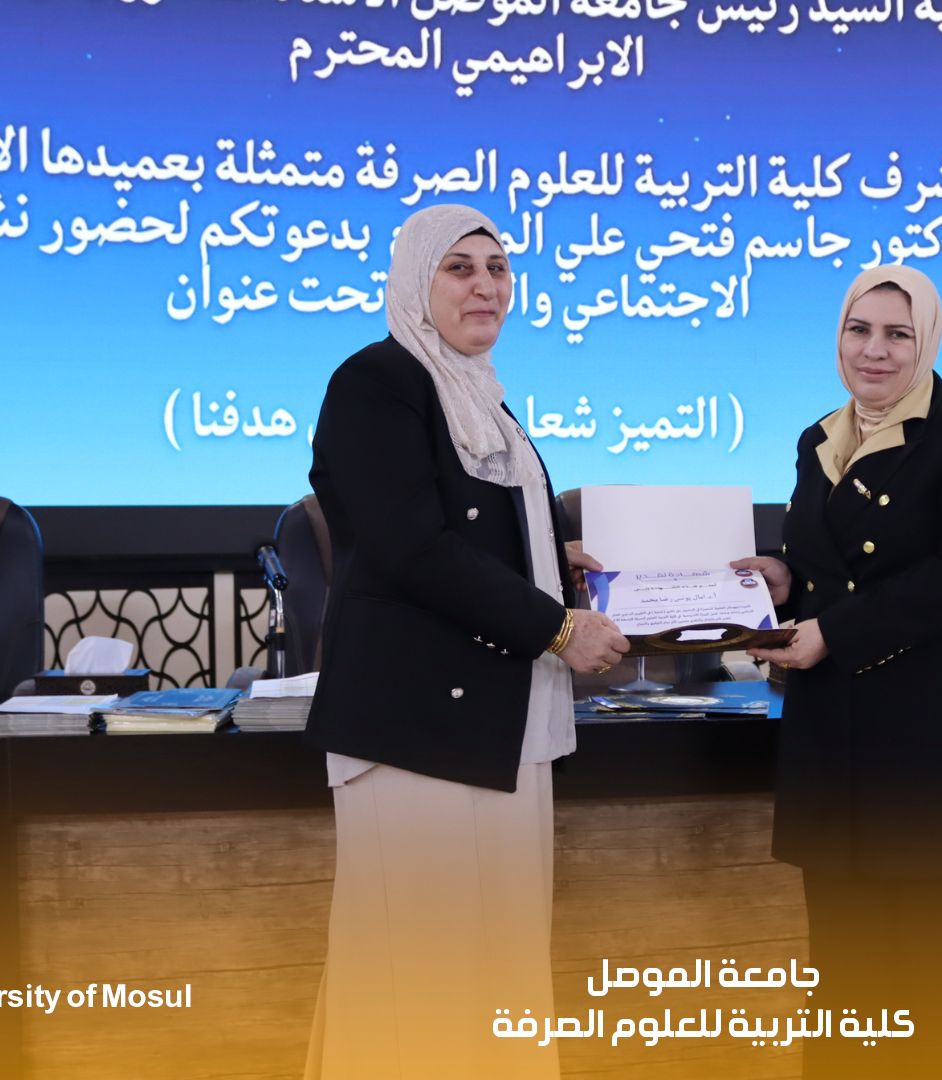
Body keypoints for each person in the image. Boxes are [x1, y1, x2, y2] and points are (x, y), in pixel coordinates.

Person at [302, 204, 631, 1079]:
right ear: (416, 281)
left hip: (497, 728)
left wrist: (546, 555)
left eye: (498, 268)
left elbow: (467, 524)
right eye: (459, 267)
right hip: (417, 731)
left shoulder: (476, 393)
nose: (486, 285)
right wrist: (558, 625)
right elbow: (410, 547)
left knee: (496, 969)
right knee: (419, 977)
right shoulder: (377, 381)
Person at [741, 265, 942, 1080]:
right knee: (845, 974)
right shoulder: (819, 439)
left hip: (936, 741)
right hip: (838, 743)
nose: (874, 350)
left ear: (926, 341)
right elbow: (834, 568)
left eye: (897, 334)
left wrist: (832, 632)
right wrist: (785, 581)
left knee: (935, 977)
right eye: (858, 329)